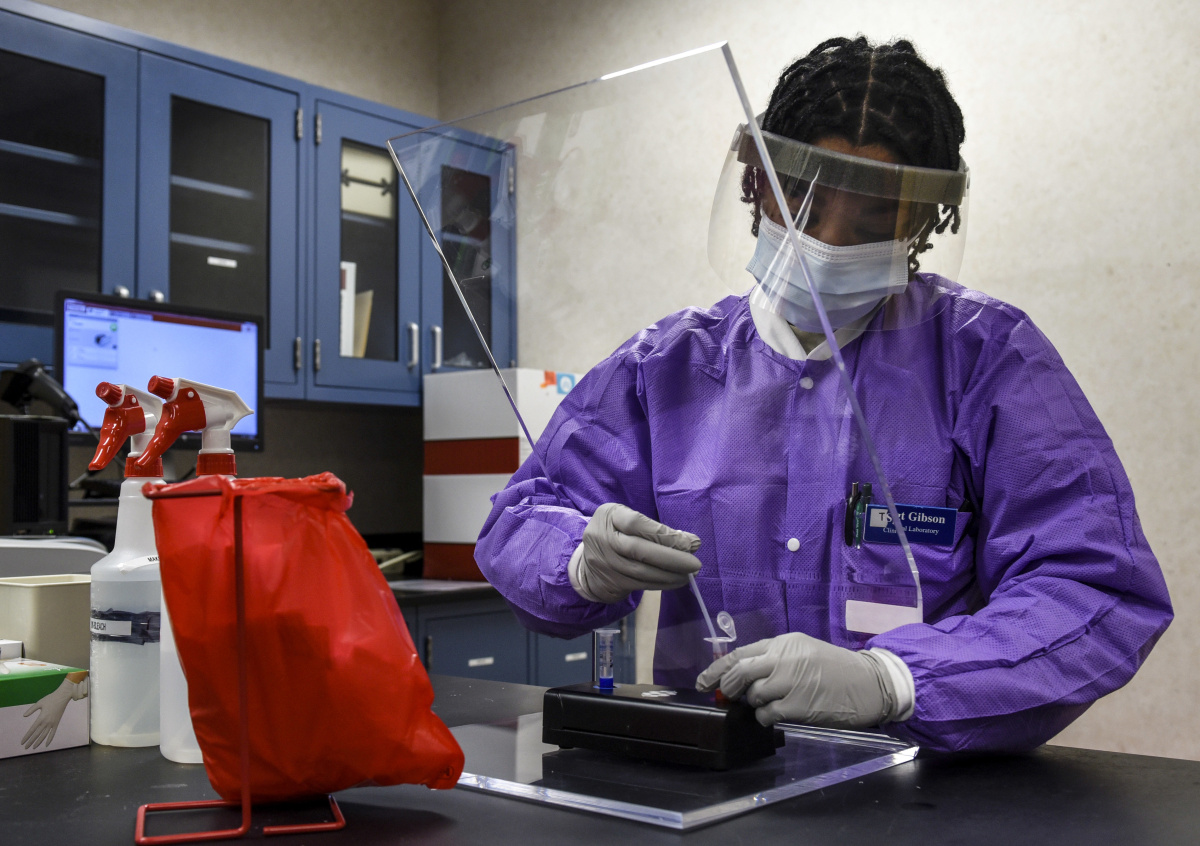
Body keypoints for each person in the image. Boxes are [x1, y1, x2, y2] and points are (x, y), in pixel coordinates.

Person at [475, 36, 1173, 753]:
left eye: (872, 222)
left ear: (922, 221)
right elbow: (521, 520)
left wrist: (895, 681)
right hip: (709, 772)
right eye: (804, 208)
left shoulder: (987, 359)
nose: (830, 246)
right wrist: (578, 561)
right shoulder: (666, 366)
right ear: (757, 184)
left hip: (923, 785)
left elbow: (1097, 588)